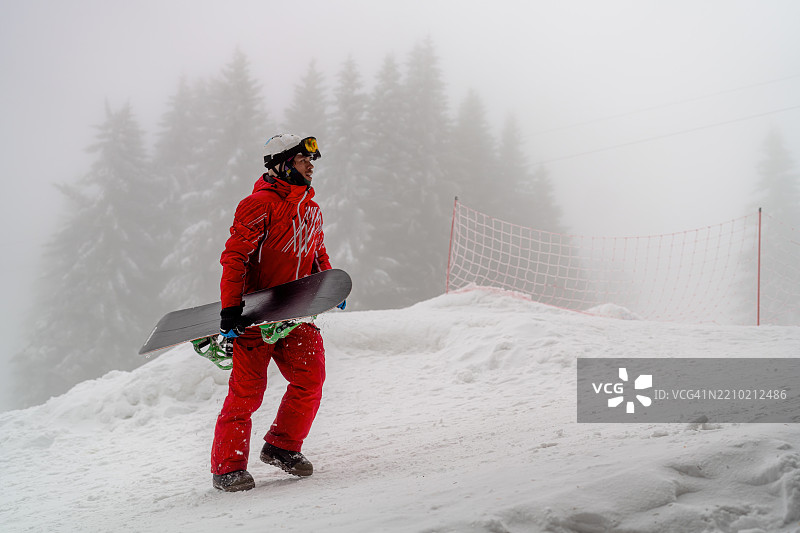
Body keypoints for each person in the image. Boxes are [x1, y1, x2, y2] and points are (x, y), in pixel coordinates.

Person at [211, 134, 333, 492]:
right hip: (255, 314)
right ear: (281, 164)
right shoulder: (257, 205)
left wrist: (327, 284)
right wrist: (231, 308)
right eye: (302, 160)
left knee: (311, 378)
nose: (311, 166)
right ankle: (227, 467)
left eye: (311, 161)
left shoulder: (311, 209)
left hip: (294, 312)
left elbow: (317, 253)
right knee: (248, 392)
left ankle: (282, 447)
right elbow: (235, 257)